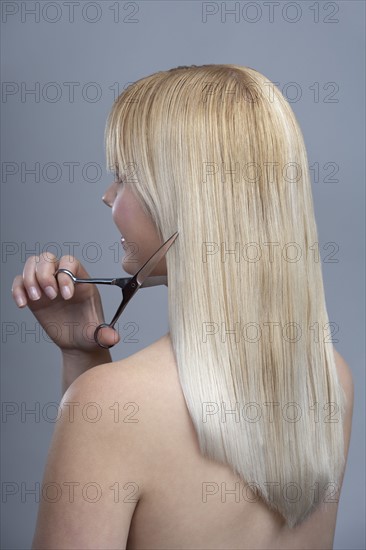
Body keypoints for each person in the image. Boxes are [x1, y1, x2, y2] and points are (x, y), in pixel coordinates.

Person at [12, 64, 354, 549]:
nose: (107, 194)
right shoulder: (330, 378)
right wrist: (81, 354)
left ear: (188, 201)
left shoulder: (109, 407)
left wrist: (91, 385)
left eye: (126, 177)